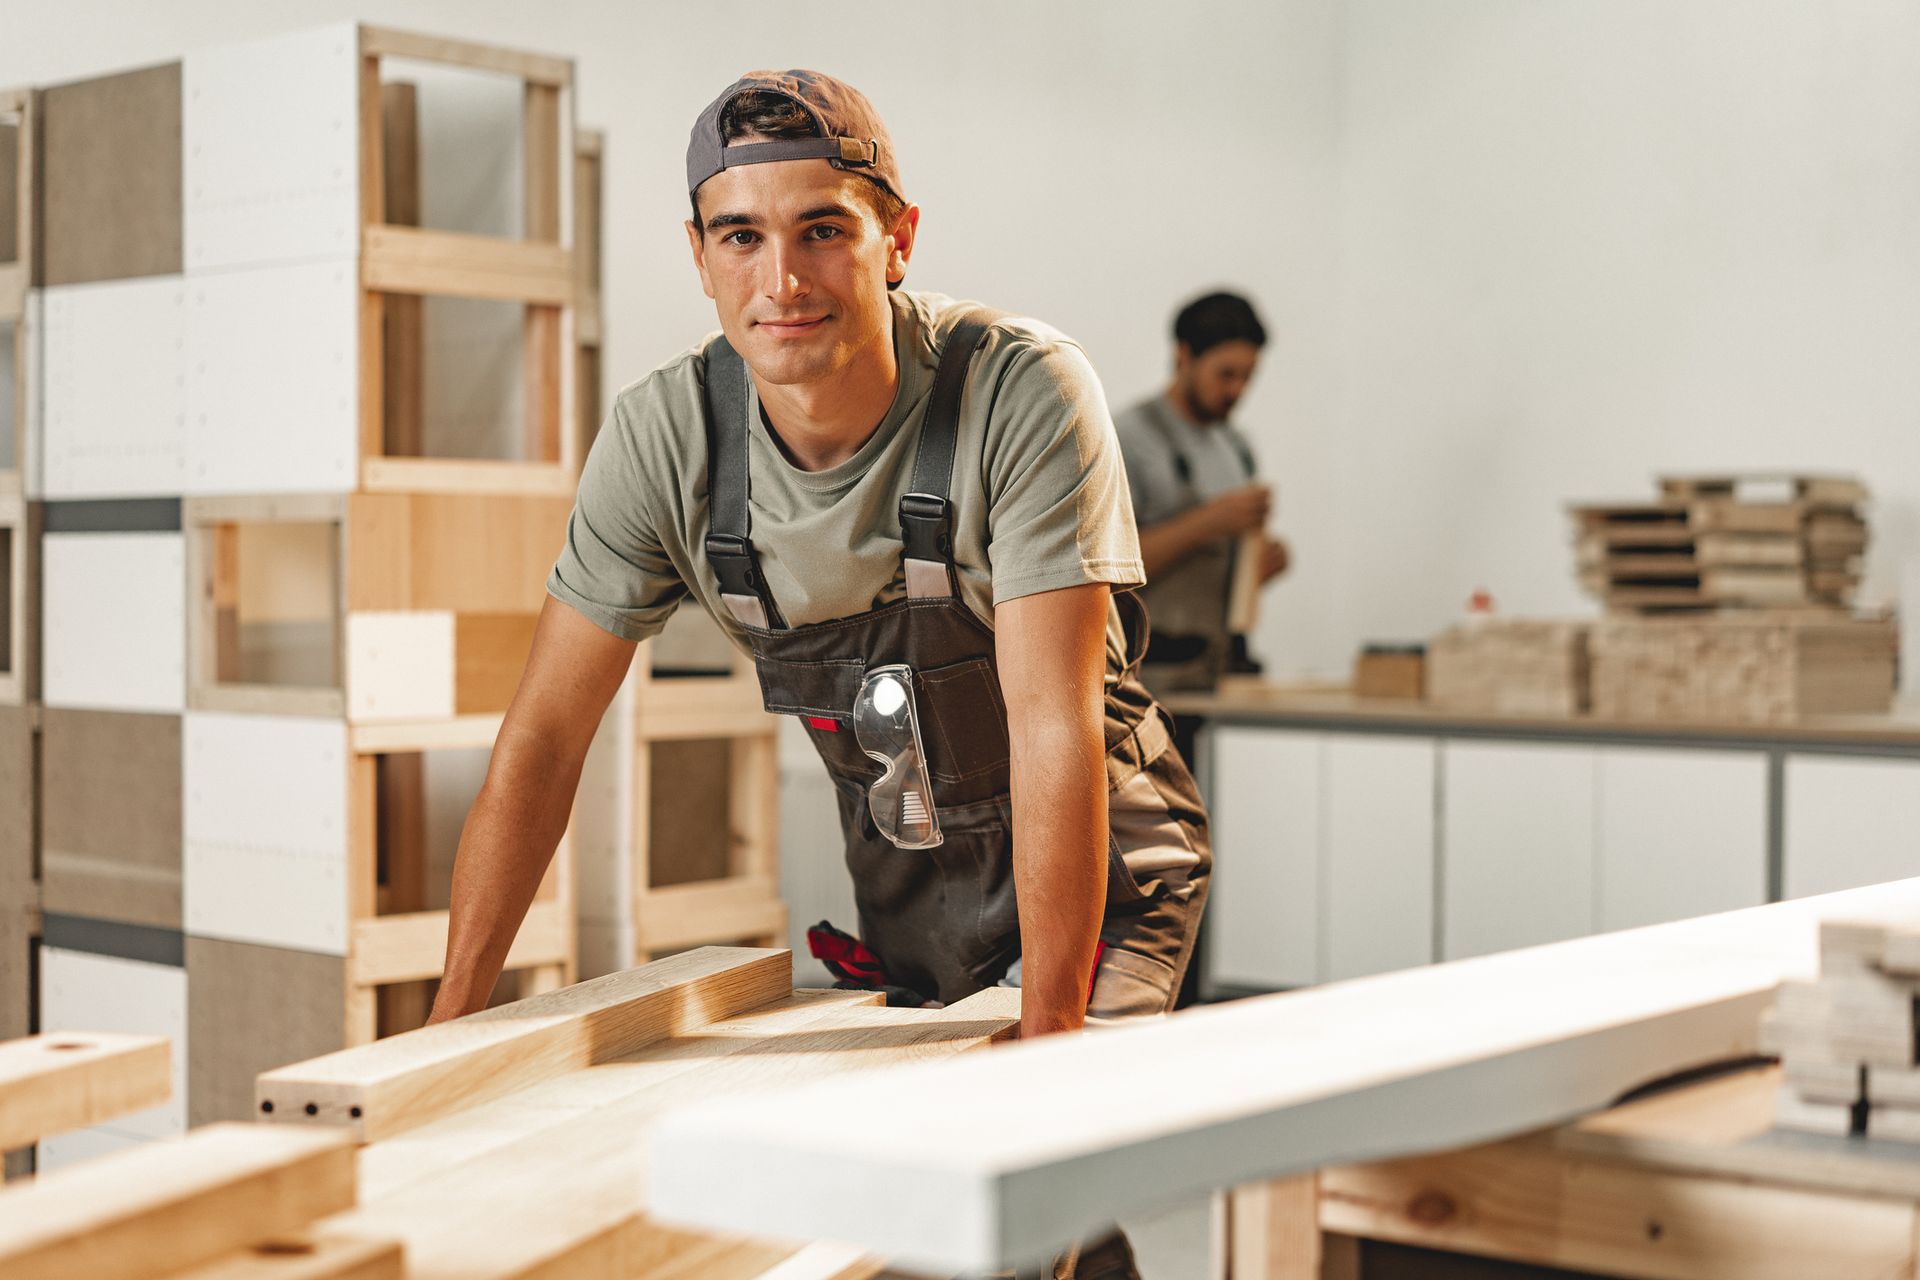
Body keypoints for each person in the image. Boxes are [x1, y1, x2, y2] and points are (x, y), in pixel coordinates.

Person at [425, 69, 1210, 1280]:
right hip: (909, 884)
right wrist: (449, 1032)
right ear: (698, 254)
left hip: (1108, 864)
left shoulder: (1021, 393)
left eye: (822, 230)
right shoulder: (666, 441)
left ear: (896, 239)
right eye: (741, 236)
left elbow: (1050, 725)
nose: (780, 282)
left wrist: (1054, 1031)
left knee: (1012, 1186)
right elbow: (541, 744)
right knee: (976, 1219)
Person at [1114, 292, 1288, 701]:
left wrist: (1257, 566)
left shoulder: (1237, 446)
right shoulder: (1128, 439)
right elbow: (1106, 570)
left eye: (1247, 377)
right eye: (1226, 374)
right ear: (1184, 356)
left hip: (1220, 673)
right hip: (1149, 681)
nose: (1237, 390)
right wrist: (1209, 522)